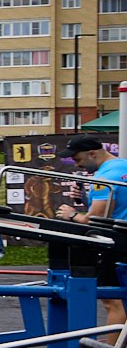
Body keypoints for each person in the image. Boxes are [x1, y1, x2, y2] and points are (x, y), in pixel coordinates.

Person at [56, 133, 127, 327]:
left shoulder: (104, 177)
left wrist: (71, 215)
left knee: (113, 302)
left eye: (78, 159)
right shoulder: (122, 166)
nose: (77, 165)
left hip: (116, 243)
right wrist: (85, 199)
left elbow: (95, 220)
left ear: (92, 153)